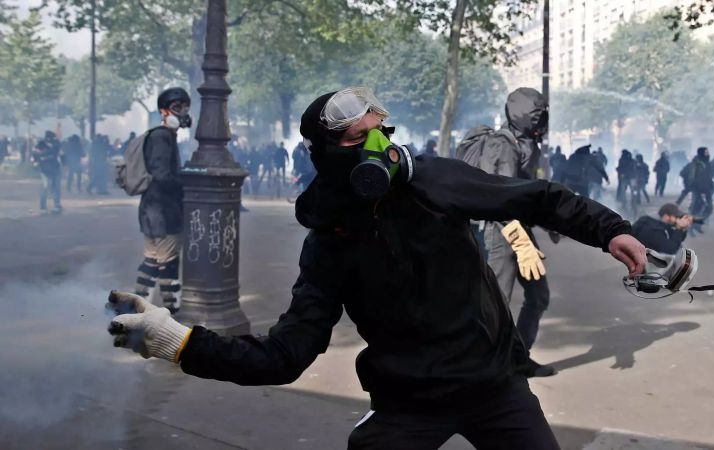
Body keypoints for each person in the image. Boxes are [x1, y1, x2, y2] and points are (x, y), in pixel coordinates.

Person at [106, 87, 647, 450]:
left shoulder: (431, 179)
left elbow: (539, 198)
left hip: (495, 389)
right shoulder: (328, 242)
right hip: (408, 406)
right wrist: (176, 341)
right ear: (326, 155)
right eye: (359, 138)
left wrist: (612, 231)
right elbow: (283, 356)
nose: (379, 145)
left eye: (381, 130)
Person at [477, 88, 558, 377]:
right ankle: (488, 368)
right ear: (522, 115)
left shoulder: (527, 144)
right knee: (497, 305)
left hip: (519, 230)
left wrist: (551, 221)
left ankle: (517, 358)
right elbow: (499, 199)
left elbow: (526, 193)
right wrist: (520, 243)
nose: (542, 120)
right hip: (503, 234)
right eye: (536, 114)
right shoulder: (504, 144)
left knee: (538, 295)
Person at [133, 87, 191, 313]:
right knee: (168, 263)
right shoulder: (162, 137)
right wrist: (185, 181)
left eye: (185, 108)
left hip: (152, 212)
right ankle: (173, 310)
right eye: (178, 108)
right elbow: (162, 175)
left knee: (152, 261)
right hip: (163, 212)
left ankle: (136, 307)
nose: (183, 113)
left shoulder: (162, 136)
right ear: (164, 112)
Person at [32, 131, 63, 214]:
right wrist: (36, 161)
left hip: (54, 169)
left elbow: (56, 151)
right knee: (46, 187)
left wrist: (41, 154)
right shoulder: (41, 144)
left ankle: (57, 205)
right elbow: (35, 154)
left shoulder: (56, 145)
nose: (51, 140)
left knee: (55, 188)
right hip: (45, 170)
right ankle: (43, 207)